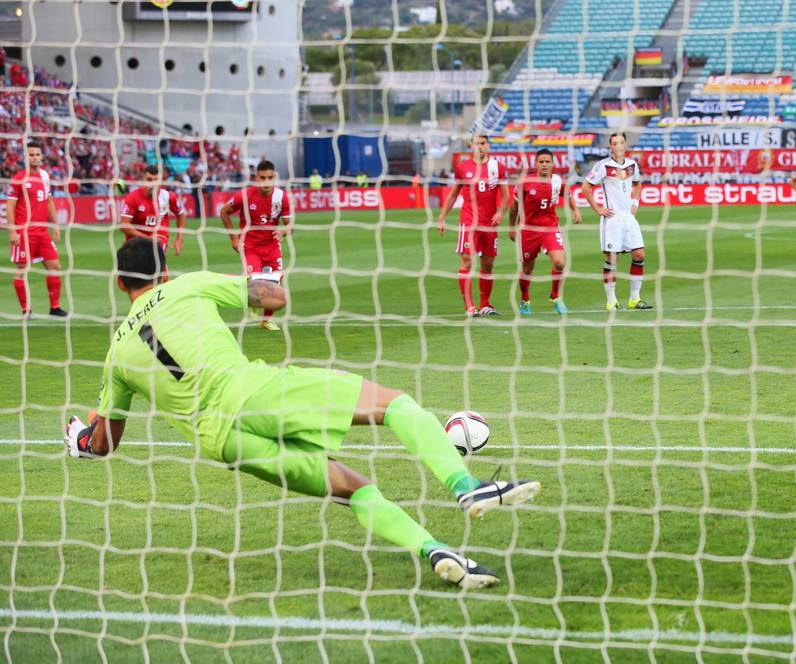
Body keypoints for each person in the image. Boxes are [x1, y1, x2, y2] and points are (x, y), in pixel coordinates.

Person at [65, 237, 541, 590]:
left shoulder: (116, 354)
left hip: (220, 442)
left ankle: (434, 550)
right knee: (394, 403)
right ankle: (466, 487)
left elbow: (104, 444)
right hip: (252, 391)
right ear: (165, 273)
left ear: (119, 282)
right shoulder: (190, 286)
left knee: (350, 489)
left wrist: (81, 438)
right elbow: (274, 297)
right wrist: (255, 287)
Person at [437, 134, 509, 316]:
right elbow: (454, 194)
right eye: (476, 143)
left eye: (483, 143)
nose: (480, 147)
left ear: (488, 146)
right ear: (471, 146)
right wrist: (442, 217)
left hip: (490, 224)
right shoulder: (463, 168)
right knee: (467, 261)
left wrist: (501, 212)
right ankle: (469, 306)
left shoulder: (498, 168)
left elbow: (506, 195)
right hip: (469, 223)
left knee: (488, 264)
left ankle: (485, 304)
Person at [219, 159, 293, 331]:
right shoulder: (245, 195)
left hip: (272, 245)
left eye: (270, 178)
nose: (266, 182)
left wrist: (283, 231)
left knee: (276, 282)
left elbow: (290, 225)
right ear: (256, 178)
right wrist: (233, 239)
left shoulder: (282, 197)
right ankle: (250, 300)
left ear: (274, 177)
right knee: (256, 281)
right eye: (262, 178)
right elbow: (224, 212)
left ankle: (266, 321)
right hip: (250, 245)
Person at [581, 132, 652, 310]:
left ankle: (634, 299)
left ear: (625, 145)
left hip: (629, 218)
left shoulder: (632, 164)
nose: (618, 146)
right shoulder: (603, 165)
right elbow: (586, 187)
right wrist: (597, 208)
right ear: (610, 147)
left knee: (639, 255)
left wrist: (635, 202)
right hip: (611, 219)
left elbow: (637, 184)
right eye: (614, 143)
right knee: (612, 259)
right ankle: (611, 301)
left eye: (621, 142)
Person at [509, 149, 581, 315]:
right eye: (541, 162)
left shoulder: (557, 181)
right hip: (528, 230)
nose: (544, 165)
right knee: (527, 269)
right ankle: (525, 300)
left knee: (560, 263)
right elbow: (513, 208)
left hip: (550, 227)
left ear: (552, 164)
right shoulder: (525, 182)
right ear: (536, 164)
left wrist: (575, 210)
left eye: (547, 162)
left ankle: (555, 296)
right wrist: (512, 228)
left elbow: (568, 194)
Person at [5, 141, 66, 317]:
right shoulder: (18, 179)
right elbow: (10, 206)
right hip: (24, 232)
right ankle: (26, 310)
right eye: (31, 155)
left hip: (42, 232)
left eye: (37, 155)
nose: (35, 158)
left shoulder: (45, 176)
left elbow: (49, 201)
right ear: (26, 157)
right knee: (22, 269)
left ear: (41, 157)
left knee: (55, 266)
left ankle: (55, 308)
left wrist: (55, 225)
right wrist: (12, 231)